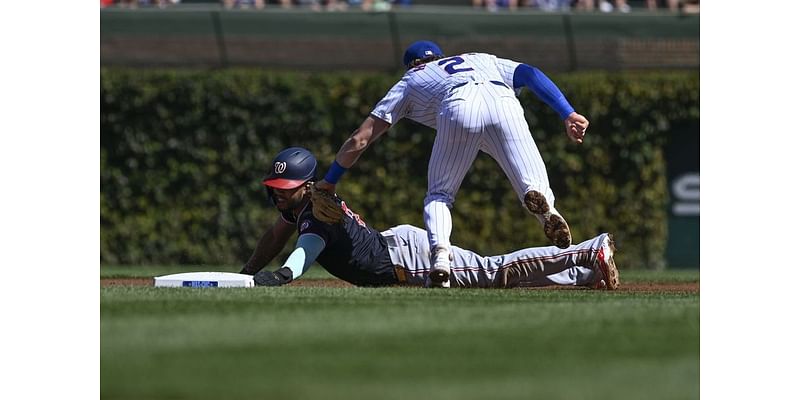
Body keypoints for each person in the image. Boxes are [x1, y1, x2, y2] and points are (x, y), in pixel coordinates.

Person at [315, 40, 590, 288]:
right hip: (504, 101)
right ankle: (546, 210)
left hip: (458, 107)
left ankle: (441, 260)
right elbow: (530, 73)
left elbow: (361, 139)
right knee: (533, 184)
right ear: (440, 56)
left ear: (412, 64)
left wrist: (330, 180)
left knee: (440, 195)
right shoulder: (479, 58)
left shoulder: (411, 78)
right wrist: (568, 112)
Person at [241, 147, 619, 290]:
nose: (277, 191)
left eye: (284, 185)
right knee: (491, 273)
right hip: (398, 247)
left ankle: (590, 252)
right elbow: (276, 236)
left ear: (305, 185)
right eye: (274, 185)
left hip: (408, 262)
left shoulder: (315, 216)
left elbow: (306, 248)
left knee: (492, 271)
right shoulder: (305, 205)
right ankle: (586, 274)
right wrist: (248, 270)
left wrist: (283, 275)